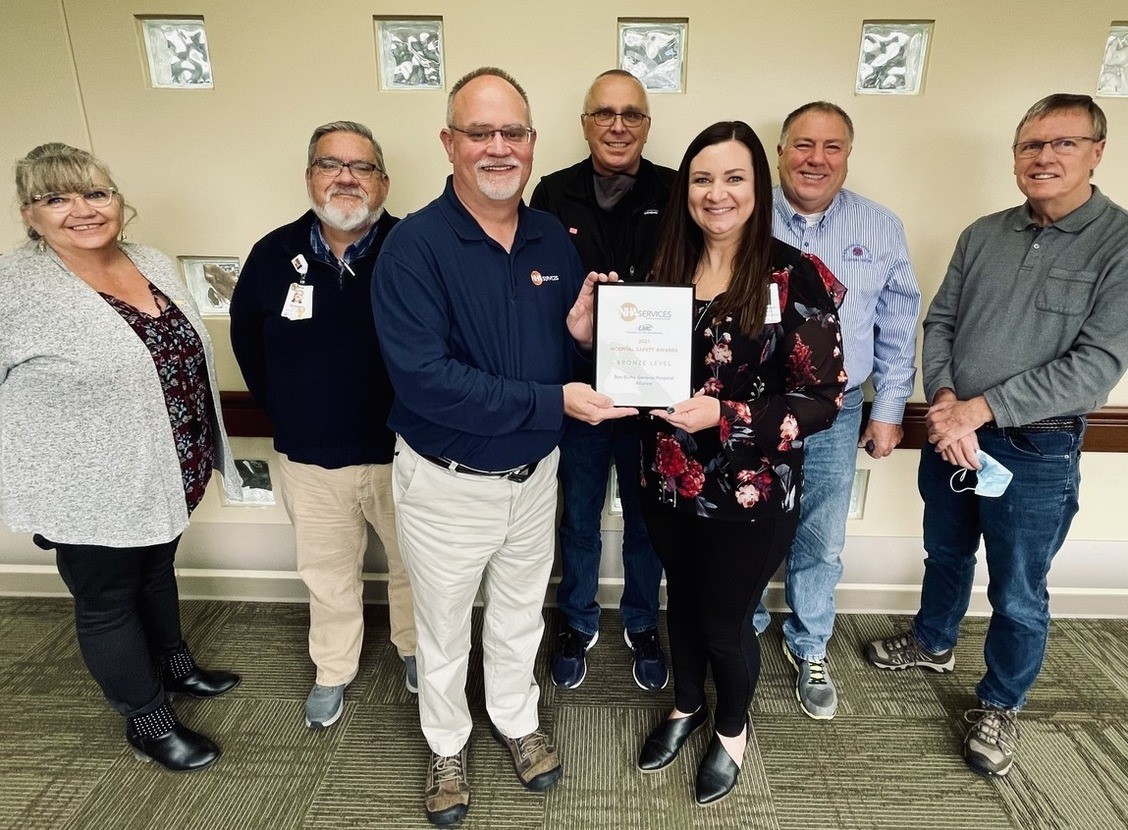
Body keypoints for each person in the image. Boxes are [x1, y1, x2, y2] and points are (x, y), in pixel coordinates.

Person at [372, 67, 634, 826]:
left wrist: (581, 338)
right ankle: (447, 743)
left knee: (521, 612)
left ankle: (516, 719)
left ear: (531, 142)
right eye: (479, 133)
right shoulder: (414, 248)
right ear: (449, 142)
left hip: (535, 473)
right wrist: (554, 398)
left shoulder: (551, 232)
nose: (498, 148)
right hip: (447, 481)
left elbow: (562, 352)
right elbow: (428, 382)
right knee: (446, 624)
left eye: (511, 132)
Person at [864, 93, 1128, 777]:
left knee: (1018, 588)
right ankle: (934, 640)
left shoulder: (1119, 244)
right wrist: (947, 402)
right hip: (954, 432)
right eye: (1030, 146)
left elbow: (1095, 367)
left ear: (1097, 151)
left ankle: (1001, 702)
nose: (1043, 158)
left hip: (1035, 448)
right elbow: (941, 322)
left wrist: (980, 411)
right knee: (945, 554)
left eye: (1062, 144)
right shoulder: (983, 234)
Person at [0, 143, 242, 772]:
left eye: (95, 193)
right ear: (31, 213)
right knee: (107, 598)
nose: (81, 210)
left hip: (164, 463)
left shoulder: (151, 261)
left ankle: (175, 664)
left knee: (157, 569)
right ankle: (147, 717)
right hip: (86, 484)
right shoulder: (13, 287)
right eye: (57, 198)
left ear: (119, 201)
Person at [635, 122, 846, 806]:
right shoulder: (662, 267)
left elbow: (823, 400)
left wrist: (726, 418)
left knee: (725, 620)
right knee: (684, 607)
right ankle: (686, 705)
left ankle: (730, 730)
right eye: (701, 179)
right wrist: (593, 335)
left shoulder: (795, 274)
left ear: (758, 186)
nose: (716, 193)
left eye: (733, 178)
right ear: (685, 191)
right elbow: (632, 368)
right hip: (666, 482)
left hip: (749, 495)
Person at [229, 121, 418, 730]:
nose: (345, 178)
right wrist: (293, 410)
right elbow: (247, 346)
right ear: (309, 176)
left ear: (383, 181)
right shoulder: (270, 255)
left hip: (404, 451)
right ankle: (333, 668)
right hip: (309, 456)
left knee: (415, 566)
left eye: (361, 167)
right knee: (327, 574)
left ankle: (416, 652)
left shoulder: (415, 248)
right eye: (329, 164)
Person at [751, 102, 921, 719]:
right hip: (752, 403)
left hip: (838, 405)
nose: (815, 159)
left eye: (831, 147)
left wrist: (890, 408)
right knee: (747, 517)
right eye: (801, 145)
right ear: (779, 151)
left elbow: (899, 321)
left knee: (821, 531)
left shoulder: (880, 226)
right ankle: (742, 623)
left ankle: (810, 642)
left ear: (848, 155)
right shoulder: (744, 213)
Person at [530, 69, 674, 692]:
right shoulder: (551, 192)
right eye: (604, 114)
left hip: (651, 396)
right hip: (580, 394)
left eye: (632, 115)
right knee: (579, 517)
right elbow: (533, 292)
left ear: (646, 124)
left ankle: (643, 622)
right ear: (585, 122)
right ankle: (577, 618)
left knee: (648, 522)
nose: (618, 126)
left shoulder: (675, 191)